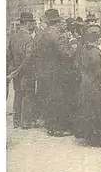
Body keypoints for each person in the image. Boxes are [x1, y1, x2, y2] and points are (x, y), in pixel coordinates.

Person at [32, 9, 77, 137]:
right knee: (59, 100)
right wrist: (73, 44)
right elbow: (67, 54)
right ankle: (59, 129)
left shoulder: (42, 34)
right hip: (57, 72)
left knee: (49, 99)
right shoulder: (57, 35)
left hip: (44, 71)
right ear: (57, 22)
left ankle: (51, 127)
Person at [74, 25, 101, 147]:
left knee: (88, 109)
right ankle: (96, 138)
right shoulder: (94, 52)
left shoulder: (85, 49)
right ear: (95, 38)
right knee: (96, 110)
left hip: (85, 82)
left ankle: (88, 135)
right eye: (99, 37)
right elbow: (98, 71)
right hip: (94, 84)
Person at [6, 12, 37, 129]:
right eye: (32, 23)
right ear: (28, 23)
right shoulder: (29, 39)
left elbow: (9, 56)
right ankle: (26, 122)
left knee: (18, 94)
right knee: (27, 95)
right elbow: (29, 58)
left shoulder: (13, 37)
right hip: (27, 72)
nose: (32, 25)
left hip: (15, 72)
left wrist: (12, 71)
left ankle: (16, 121)